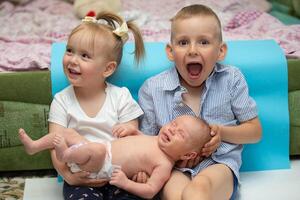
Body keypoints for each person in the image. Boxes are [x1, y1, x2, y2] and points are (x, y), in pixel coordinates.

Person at [138, 4, 262, 200]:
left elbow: (255, 132)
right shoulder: (153, 88)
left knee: (198, 190)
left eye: (204, 42)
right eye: (183, 42)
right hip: (172, 168)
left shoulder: (231, 79)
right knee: (175, 195)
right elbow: (145, 140)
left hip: (219, 164)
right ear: (170, 51)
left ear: (220, 51)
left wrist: (222, 132)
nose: (193, 51)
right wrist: (147, 167)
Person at [42, 11, 146, 200]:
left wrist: (139, 170)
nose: (72, 60)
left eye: (84, 56)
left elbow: (134, 139)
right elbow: (54, 142)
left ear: (108, 68)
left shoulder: (121, 97)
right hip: (82, 179)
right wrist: (68, 176)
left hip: (120, 174)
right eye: (69, 50)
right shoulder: (62, 101)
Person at [19, 115, 212, 199]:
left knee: (98, 151)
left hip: (100, 167)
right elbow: (135, 136)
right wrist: (129, 129)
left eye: (180, 133)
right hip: (92, 151)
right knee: (68, 133)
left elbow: (150, 191)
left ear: (188, 154)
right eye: (173, 123)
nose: (172, 128)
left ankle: (65, 153)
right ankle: (35, 146)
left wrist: (125, 183)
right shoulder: (153, 138)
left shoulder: (164, 164)